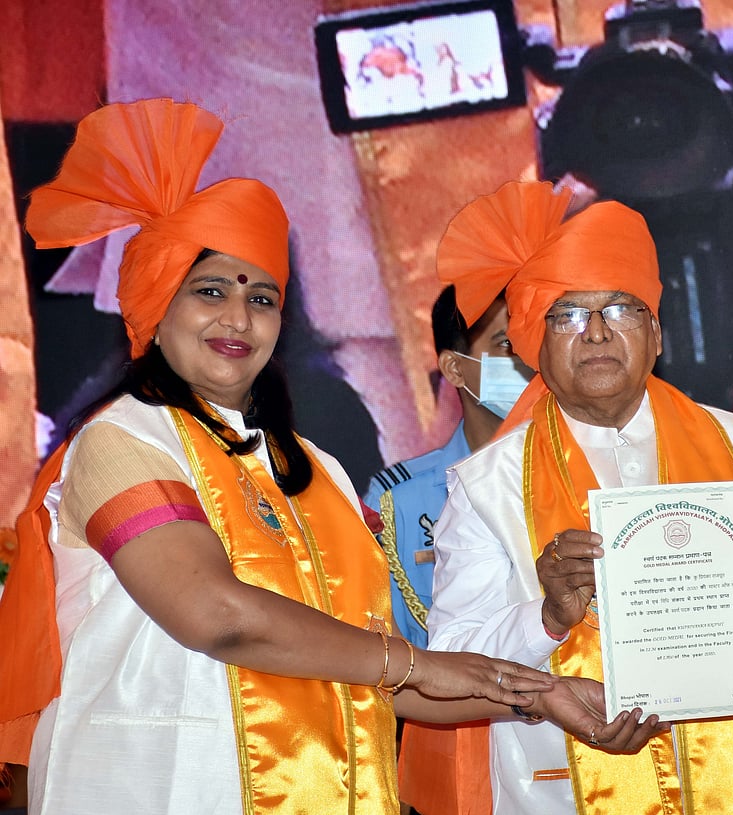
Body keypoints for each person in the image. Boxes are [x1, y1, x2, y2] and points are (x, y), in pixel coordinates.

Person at [0, 99, 660, 815]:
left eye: (263, 297)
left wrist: (544, 695)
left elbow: (384, 673)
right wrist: (418, 662)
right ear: (158, 306)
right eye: (210, 291)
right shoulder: (122, 440)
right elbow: (214, 612)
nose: (238, 318)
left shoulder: (317, 469)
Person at [424, 179, 733, 815]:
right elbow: (451, 664)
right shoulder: (489, 484)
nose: (595, 334)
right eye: (567, 315)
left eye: (620, 309)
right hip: (563, 784)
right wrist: (549, 616)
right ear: (535, 345)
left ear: (657, 334)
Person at [364, 286, 530, 648]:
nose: (531, 360)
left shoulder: (587, 474)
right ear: (455, 368)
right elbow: (385, 650)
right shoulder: (398, 502)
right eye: (508, 344)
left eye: (535, 339)